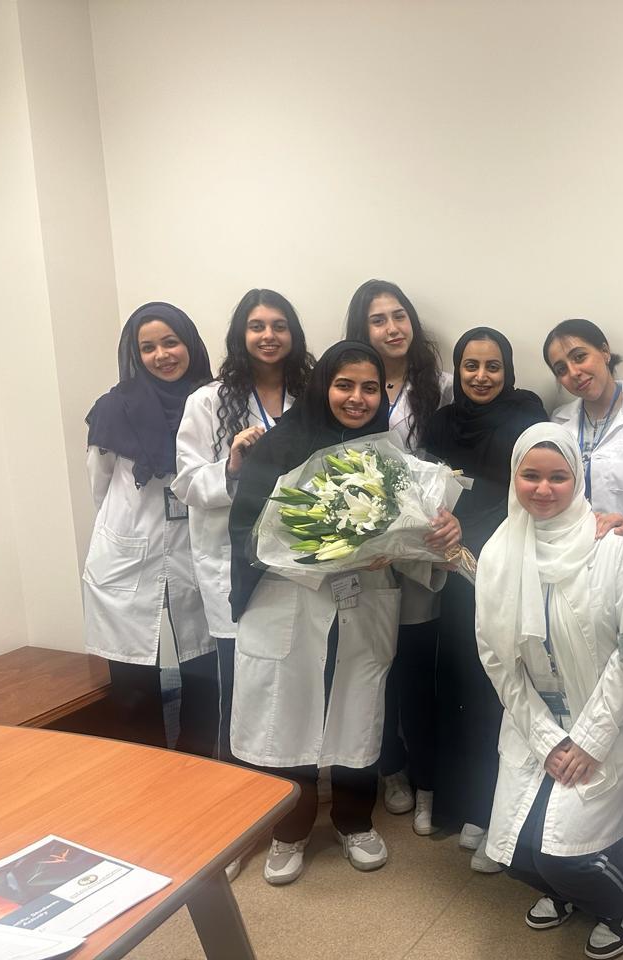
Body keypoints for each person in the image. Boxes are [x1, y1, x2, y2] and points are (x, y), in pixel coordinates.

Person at [227, 341, 454, 886]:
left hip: (363, 601)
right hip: (291, 602)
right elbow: (248, 535)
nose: (357, 398)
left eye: (370, 388)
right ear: (322, 386)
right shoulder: (280, 447)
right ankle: (289, 829)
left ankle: (354, 821)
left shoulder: (390, 457)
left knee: (359, 708)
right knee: (290, 712)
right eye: (344, 385)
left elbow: (416, 528)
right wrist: (322, 551)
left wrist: (436, 531)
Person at [475, 424, 623, 960]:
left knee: (560, 855)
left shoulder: (611, 549)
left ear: (578, 481)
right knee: (511, 852)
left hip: (609, 722)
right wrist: (546, 738)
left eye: (558, 477)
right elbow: (496, 658)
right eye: (531, 475)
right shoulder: (500, 553)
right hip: (535, 721)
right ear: (514, 478)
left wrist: (590, 739)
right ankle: (565, 892)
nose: (543, 489)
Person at [173, 289, 313, 770]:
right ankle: (239, 785)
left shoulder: (311, 397)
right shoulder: (207, 401)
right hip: (234, 561)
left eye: (279, 326)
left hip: (296, 561)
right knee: (241, 680)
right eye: (257, 326)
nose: (268, 336)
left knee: (292, 676)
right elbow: (187, 482)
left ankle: (292, 780)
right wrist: (232, 466)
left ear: (293, 334)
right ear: (241, 335)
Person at [424, 327, 546, 870]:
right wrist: (443, 532)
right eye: (470, 366)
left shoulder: (527, 414)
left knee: (501, 686)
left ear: (508, 370)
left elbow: (532, 489)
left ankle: (495, 812)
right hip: (454, 568)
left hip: (509, 564)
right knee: (458, 682)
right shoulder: (441, 422)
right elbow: (427, 490)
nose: (481, 376)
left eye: (493, 366)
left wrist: (473, 536)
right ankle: (461, 805)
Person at [345, 279, 455, 832]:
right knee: (373, 665)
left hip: (420, 547)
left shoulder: (441, 386)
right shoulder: (351, 386)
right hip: (366, 553)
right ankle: (391, 769)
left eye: (399, 316)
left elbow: (453, 462)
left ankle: (429, 779)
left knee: (416, 665)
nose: (392, 328)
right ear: (361, 330)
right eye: (378, 319)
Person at [83, 301, 217, 756]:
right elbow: (99, 485)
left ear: (190, 344)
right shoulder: (112, 408)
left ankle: (200, 770)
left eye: (171, 342)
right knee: (133, 683)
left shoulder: (213, 403)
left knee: (205, 673)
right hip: (128, 549)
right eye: (148, 347)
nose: (161, 355)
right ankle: (142, 778)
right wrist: (129, 530)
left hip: (195, 548)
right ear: (134, 354)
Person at [545, 319, 623, 538]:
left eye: (580, 357)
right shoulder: (558, 422)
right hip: (573, 543)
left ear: (605, 352)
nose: (574, 372)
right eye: (561, 369)